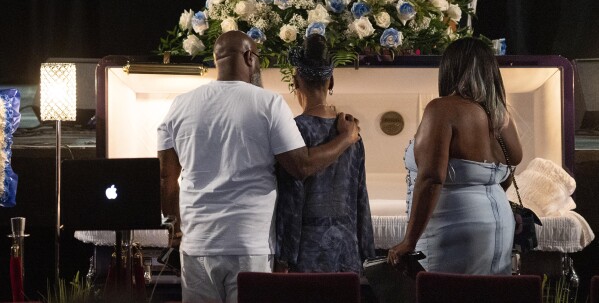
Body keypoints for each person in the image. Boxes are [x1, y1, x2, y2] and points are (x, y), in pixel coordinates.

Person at [157, 30, 361, 303]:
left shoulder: (179, 106)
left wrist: (176, 228)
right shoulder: (268, 103)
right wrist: (346, 138)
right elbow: (301, 165)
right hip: (249, 245)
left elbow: (165, 178)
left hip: (197, 244)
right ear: (249, 56)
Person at [387, 37, 522, 275]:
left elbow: (431, 178)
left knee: (445, 292)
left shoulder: (442, 109)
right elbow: (507, 171)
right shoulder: (502, 116)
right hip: (498, 224)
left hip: (453, 225)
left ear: (451, 69)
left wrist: (409, 240)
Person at [275, 34, 375, 274]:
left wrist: (283, 256)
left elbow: (290, 199)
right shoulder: (352, 131)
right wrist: (367, 253)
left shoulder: (295, 130)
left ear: (296, 81)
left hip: (306, 252)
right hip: (347, 250)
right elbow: (361, 197)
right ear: (331, 82)